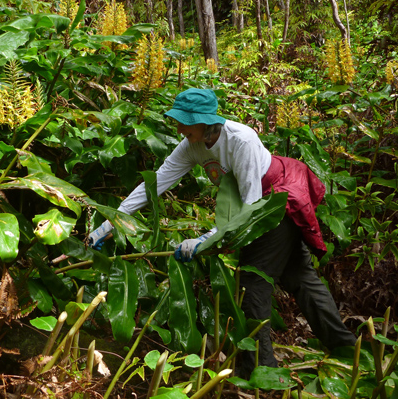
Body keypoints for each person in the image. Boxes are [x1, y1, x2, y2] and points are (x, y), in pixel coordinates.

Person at [88, 88, 356, 377]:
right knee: (299, 277)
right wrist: (112, 220)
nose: (178, 128)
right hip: (254, 208)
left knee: (253, 282)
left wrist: (206, 239)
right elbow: (157, 183)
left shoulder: (241, 140)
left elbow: (249, 205)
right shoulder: (192, 143)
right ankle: (346, 350)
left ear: (205, 121)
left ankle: (259, 371)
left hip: (272, 204)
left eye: (185, 121)